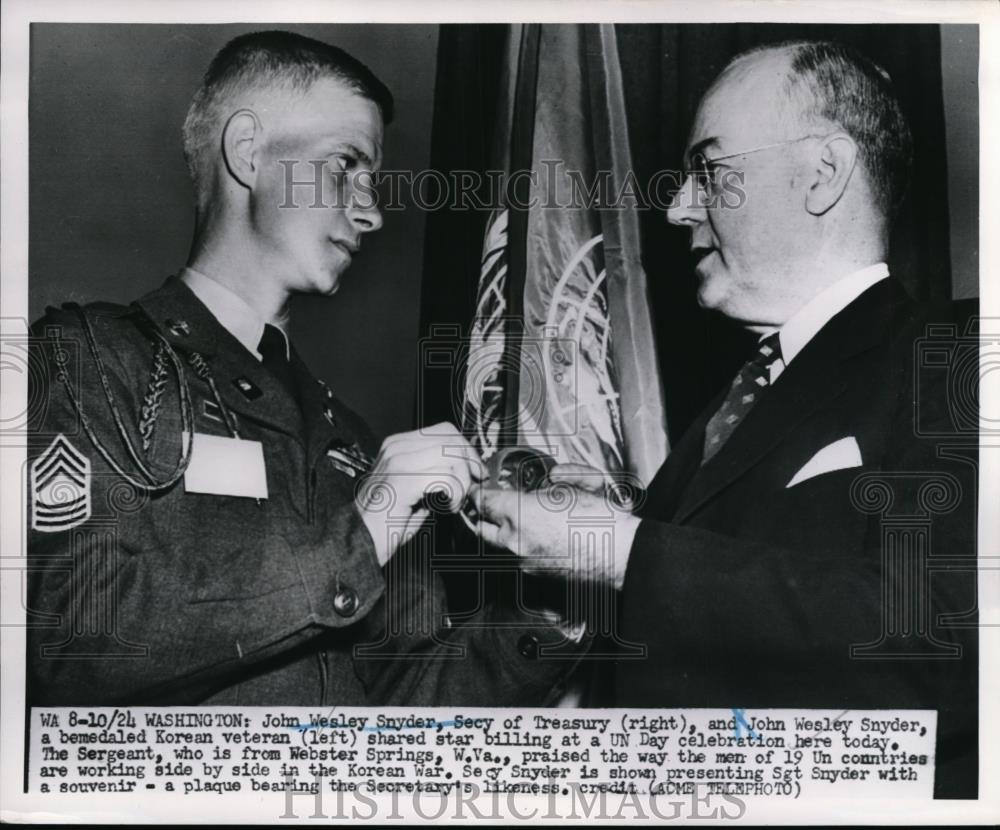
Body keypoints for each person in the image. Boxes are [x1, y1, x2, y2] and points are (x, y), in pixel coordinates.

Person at [475, 40, 978, 798]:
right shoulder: (730, 404)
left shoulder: (959, 359)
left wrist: (623, 553)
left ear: (821, 173)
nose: (678, 207)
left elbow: (948, 642)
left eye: (710, 171)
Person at [26, 30, 578, 707]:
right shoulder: (91, 360)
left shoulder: (352, 439)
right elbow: (73, 639)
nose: (372, 210)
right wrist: (365, 530)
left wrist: (553, 608)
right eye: (346, 163)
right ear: (248, 153)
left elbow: (404, 705)